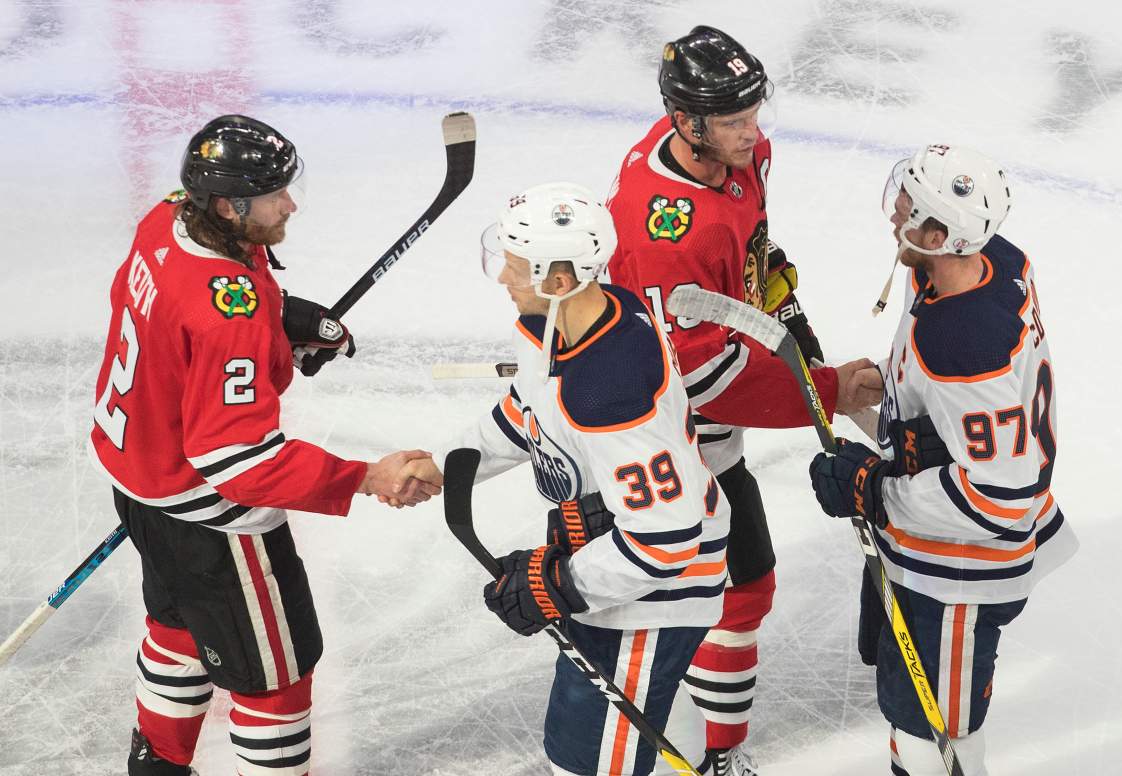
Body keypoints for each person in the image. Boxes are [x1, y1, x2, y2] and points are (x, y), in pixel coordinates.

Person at [87, 114, 436, 775]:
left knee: (180, 630)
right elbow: (241, 463)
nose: (290, 203)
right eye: (274, 193)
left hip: (141, 483)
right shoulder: (228, 311)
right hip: (212, 518)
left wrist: (282, 319)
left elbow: (190, 315)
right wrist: (367, 476)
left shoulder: (166, 219)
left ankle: (154, 766)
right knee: (276, 681)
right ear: (228, 204)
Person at [604, 25, 877, 774]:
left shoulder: (739, 152)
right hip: (661, 428)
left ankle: (715, 750)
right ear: (687, 122)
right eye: (733, 120)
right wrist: (824, 389)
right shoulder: (669, 226)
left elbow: (751, 244)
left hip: (694, 403)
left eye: (755, 111)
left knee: (736, 589)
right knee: (726, 590)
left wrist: (776, 289)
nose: (753, 132)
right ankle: (695, 754)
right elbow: (704, 378)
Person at [398, 182, 732, 775]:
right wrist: (449, 466)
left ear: (558, 281)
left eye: (517, 265)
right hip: (620, 560)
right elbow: (527, 409)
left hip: (653, 592)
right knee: (648, 708)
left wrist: (559, 585)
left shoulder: (612, 391)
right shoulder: (571, 320)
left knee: (586, 757)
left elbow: (664, 541)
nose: (503, 276)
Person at [807, 144, 1079, 775]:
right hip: (936, 549)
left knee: (937, 736)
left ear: (940, 231)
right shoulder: (984, 264)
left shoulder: (962, 345)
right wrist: (885, 386)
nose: (894, 210)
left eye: (910, 206)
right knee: (913, 715)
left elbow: (998, 498)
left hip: (960, 569)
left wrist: (873, 491)